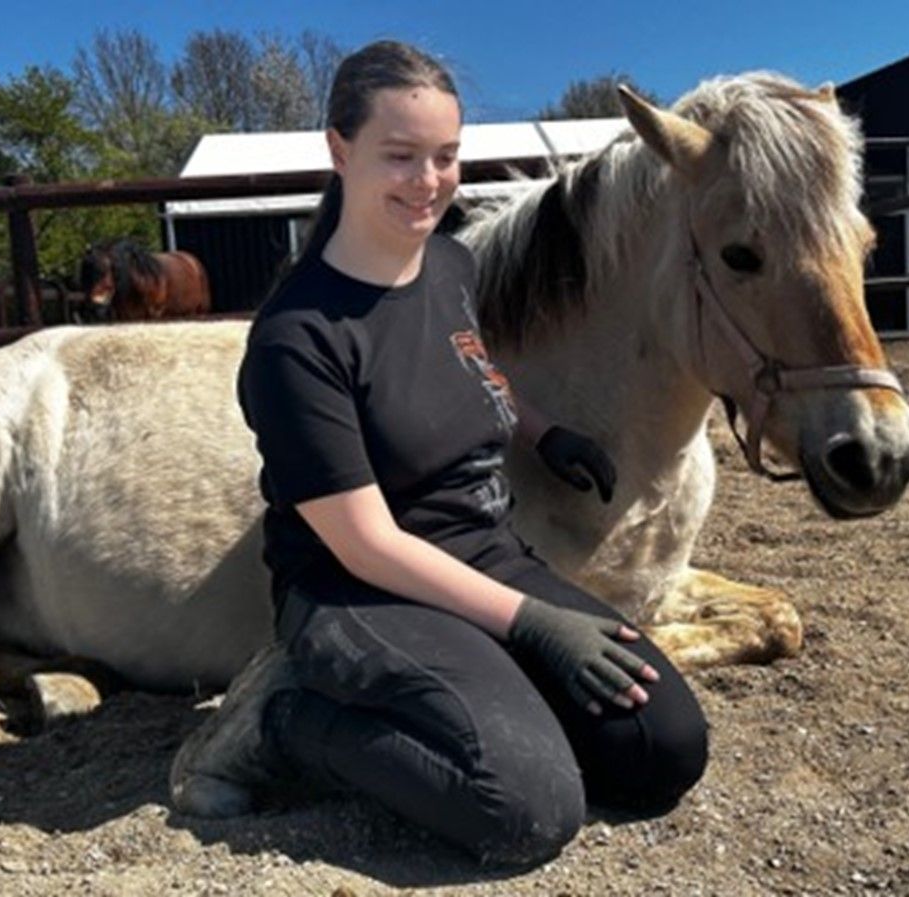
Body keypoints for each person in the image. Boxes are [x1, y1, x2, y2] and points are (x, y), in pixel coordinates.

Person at [169, 39, 708, 866]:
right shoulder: (299, 337)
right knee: (524, 809)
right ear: (339, 150)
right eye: (402, 156)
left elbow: (469, 361)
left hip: (483, 553)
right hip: (358, 595)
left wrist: (539, 430)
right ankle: (282, 723)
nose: (429, 181)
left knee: (662, 747)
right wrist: (537, 625)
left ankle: (493, 702)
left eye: (446, 156)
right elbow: (365, 543)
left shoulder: (450, 264)